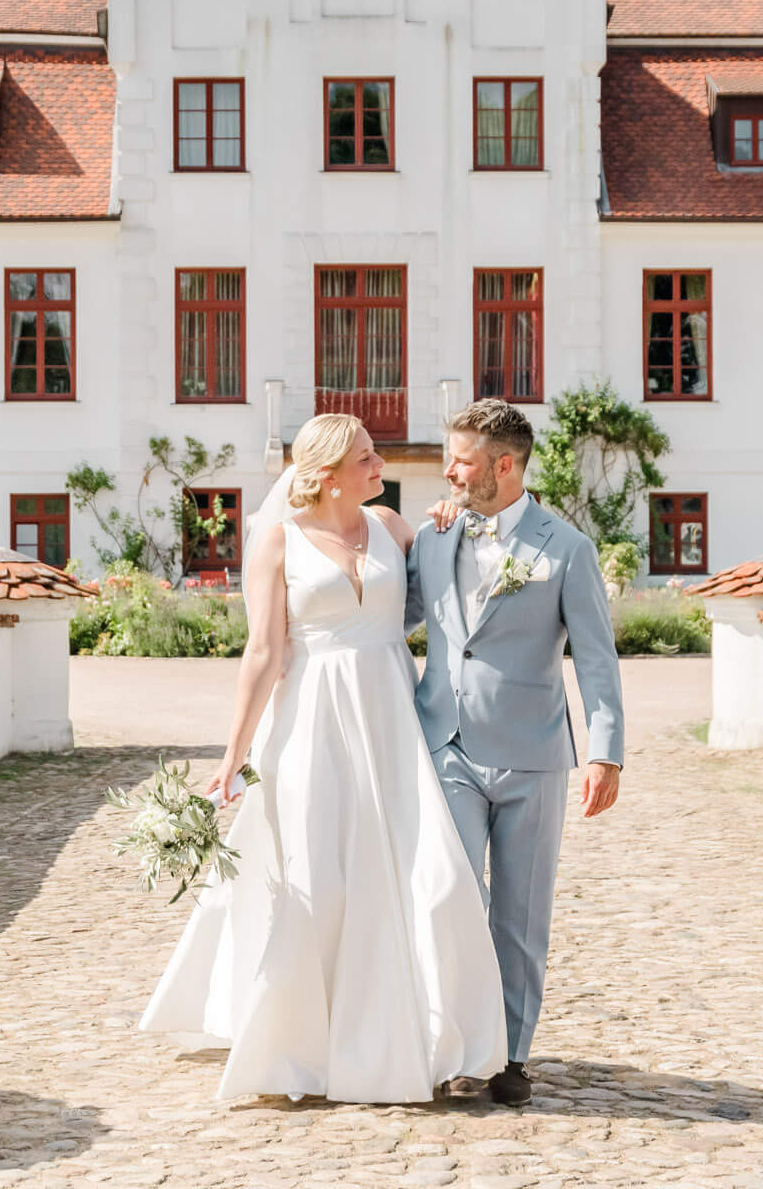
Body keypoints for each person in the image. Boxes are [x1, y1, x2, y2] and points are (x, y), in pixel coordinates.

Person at [138, 413, 507, 1103]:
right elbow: (263, 653)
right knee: (318, 880)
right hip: (310, 724)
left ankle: (421, 1034)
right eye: (366, 458)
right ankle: (301, 1046)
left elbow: (445, 595)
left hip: (392, 723)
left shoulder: (394, 528)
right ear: (329, 474)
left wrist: (450, 520)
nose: (380, 465)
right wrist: (233, 755)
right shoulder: (278, 542)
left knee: (426, 875)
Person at [407, 398, 625, 1106]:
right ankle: (457, 1044)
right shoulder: (434, 538)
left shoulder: (567, 548)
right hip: (448, 743)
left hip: (533, 754)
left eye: (461, 461)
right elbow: (386, 616)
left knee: (520, 915)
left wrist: (606, 752)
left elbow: (596, 657)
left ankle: (510, 1054)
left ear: (503, 466)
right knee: (449, 896)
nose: (449, 472)